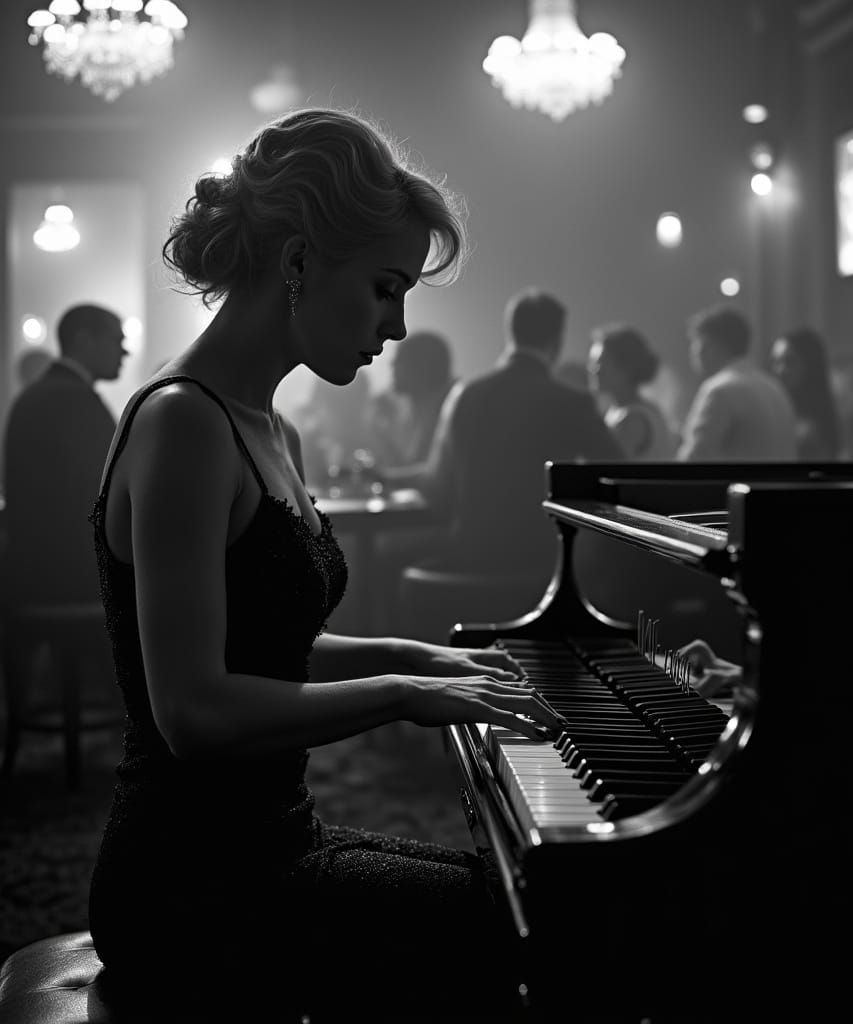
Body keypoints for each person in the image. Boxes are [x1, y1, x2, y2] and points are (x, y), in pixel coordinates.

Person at [85, 108, 565, 1023]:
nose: (396, 323)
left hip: (270, 845)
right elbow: (192, 712)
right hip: (189, 885)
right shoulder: (183, 421)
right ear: (299, 262)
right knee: (526, 930)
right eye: (385, 287)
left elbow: (267, 646)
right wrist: (396, 693)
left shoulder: (272, 427)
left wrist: (418, 658)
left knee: (529, 894)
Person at [408, 288, 625, 580]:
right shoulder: (571, 402)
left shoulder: (465, 396)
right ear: (556, 342)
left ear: (511, 332)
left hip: (469, 561)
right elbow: (616, 475)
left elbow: (439, 488)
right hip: (542, 565)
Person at [1, 304, 126, 607]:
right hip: (71, 577)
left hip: (39, 571)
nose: (125, 353)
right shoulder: (73, 402)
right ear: (84, 340)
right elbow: (97, 489)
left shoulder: (40, 395)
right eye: (116, 341)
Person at [677, 304, 798, 462]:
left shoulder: (718, 390)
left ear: (710, 345)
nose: (692, 351)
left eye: (696, 343)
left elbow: (693, 460)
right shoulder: (773, 387)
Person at [368, 328, 456, 472]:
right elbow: (411, 468)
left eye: (399, 360)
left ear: (421, 366)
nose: (392, 365)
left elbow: (427, 477)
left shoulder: (448, 410)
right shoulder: (422, 409)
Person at [588, 323, 677, 459]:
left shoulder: (633, 420)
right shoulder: (621, 410)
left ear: (624, 368)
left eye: (600, 363)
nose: (593, 369)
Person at [769, 326, 841, 461]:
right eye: (776, 361)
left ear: (810, 365)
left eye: (789, 362)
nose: (780, 370)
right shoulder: (774, 410)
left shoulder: (816, 423)